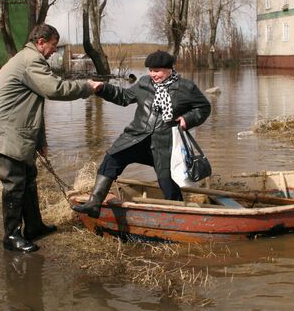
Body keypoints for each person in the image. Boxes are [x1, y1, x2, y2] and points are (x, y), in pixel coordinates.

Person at [0, 24, 103, 252]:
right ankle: (11, 236)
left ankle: (34, 227)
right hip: (7, 134)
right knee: (14, 184)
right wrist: (87, 87)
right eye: (53, 46)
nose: (53, 52)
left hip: (17, 131)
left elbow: (34, 107)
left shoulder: (27, 59)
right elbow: (54, 89)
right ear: (40, 42)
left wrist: (41, 142)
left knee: (28, 178)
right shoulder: (31, 60)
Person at [72, 50, 211, 219]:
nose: (153, 74)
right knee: (112, 159)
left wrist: (187, 119)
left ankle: (179, 218)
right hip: (136, 138)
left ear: (169, 69)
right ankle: (94, 204)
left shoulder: (186, 87)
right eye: (151, 70)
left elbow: (203, 107)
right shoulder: (144, 83)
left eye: (157, 70)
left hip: (165, 144)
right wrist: (102, 88)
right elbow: (123, 97)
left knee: (168, 182)